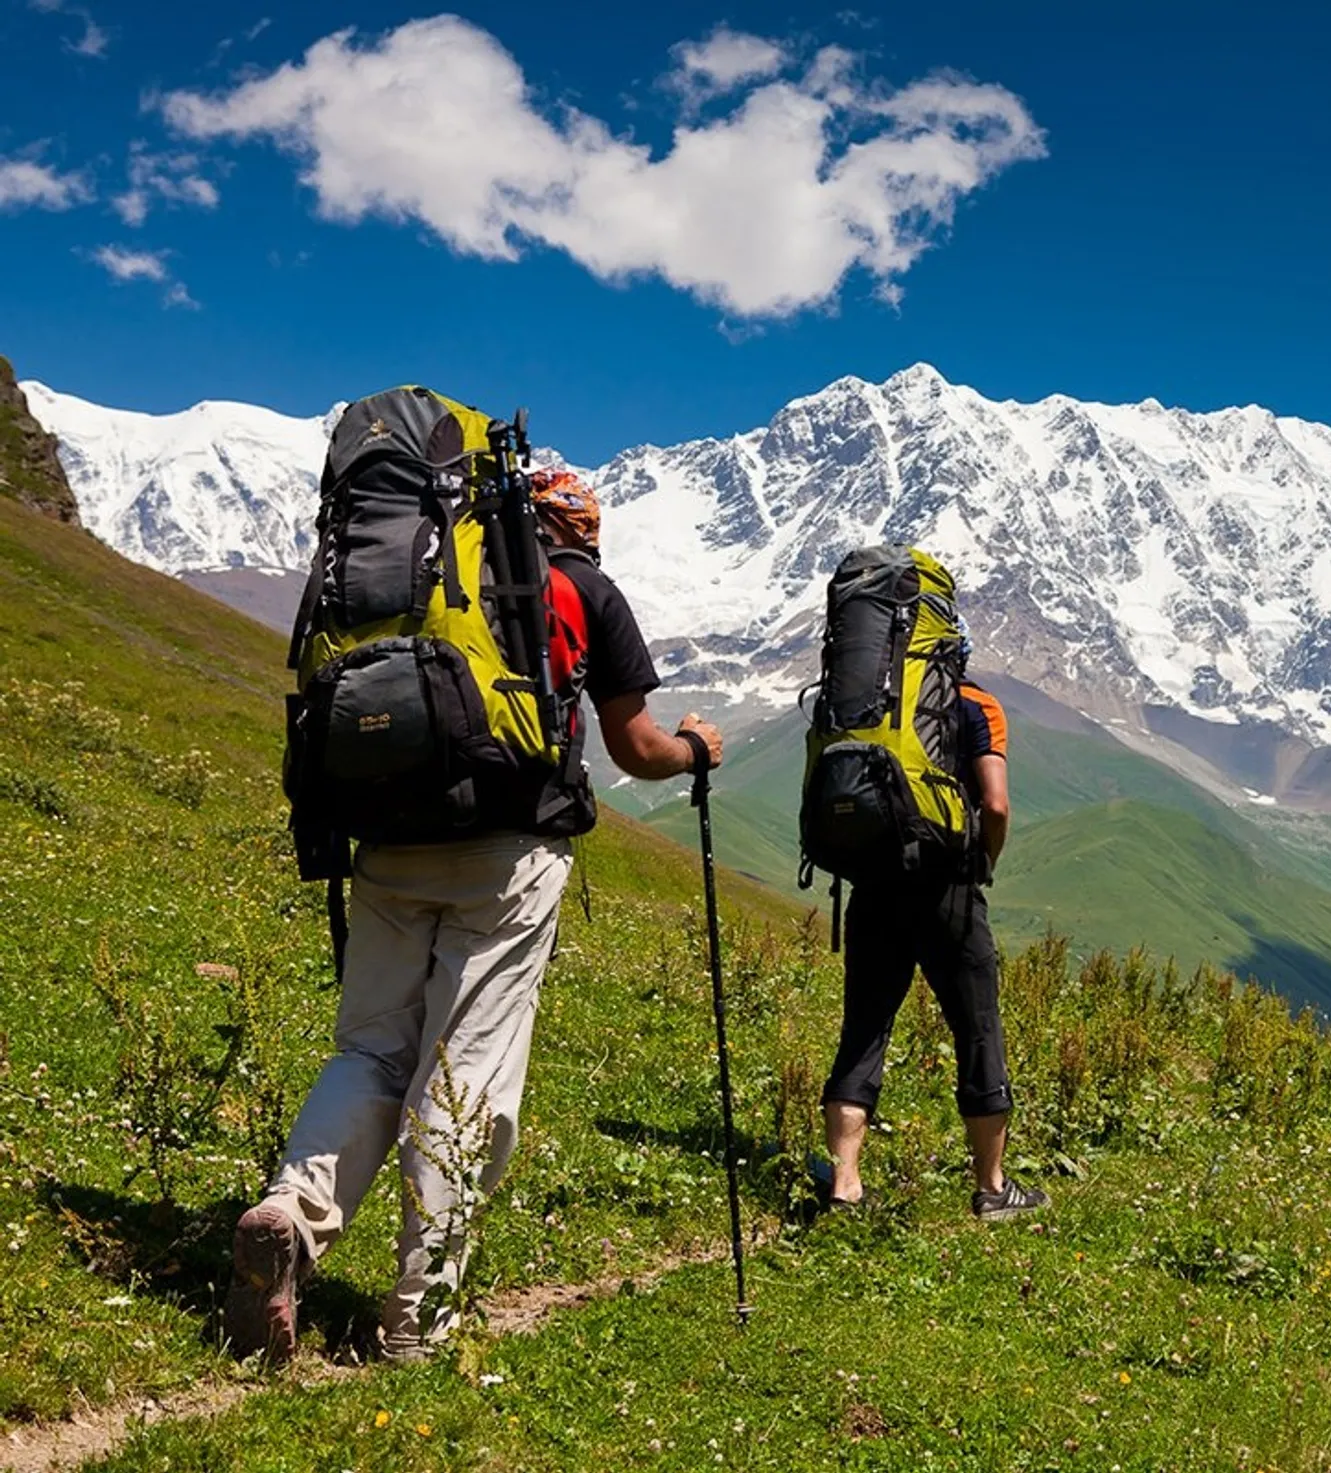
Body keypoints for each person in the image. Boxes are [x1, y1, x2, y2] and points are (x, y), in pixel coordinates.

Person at [227, 467, 724, 1364]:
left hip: (388, 842)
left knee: (370, 1052)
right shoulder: (579, 587)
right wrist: (695, 748)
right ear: (584, 530)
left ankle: (289, 1215)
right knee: (465, 1074)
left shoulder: (419, 579)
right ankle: (418, 1317)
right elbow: (636, 746)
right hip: (506, 854)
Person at [820, 617, 1048, 1222]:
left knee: (863, 1031)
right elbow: (995, 803)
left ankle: (845, 1184)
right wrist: (983, 861)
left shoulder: (867, 708)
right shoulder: (975, 705)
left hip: (874, 883)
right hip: (948, 888)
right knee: (978, 1032)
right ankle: (992, 1188)